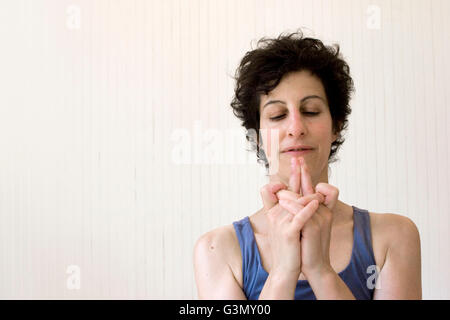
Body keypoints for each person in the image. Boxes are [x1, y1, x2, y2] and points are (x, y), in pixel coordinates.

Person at [193, 30, 421, 300]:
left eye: (311, 111)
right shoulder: (216, 250)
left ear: (336, 126)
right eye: (277, 115)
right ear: (257, 137)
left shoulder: (394, 236)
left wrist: (320, 270)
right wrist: (283, 273)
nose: (296, 128)